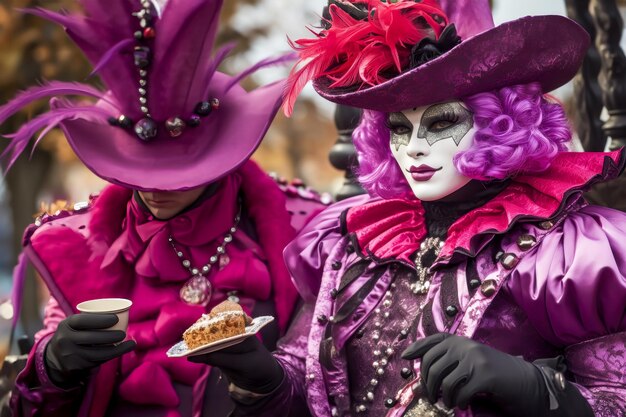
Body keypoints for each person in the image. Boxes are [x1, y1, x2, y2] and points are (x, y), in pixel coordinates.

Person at [194, 0, 626, 416]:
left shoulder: (563, 250)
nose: (414, 147)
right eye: (399, 129)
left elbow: (615, 400)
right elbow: (308, 387)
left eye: (441, 123)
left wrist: (529, 387)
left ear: (501, 124)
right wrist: (264, 376)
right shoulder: (356, 242)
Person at [1, 0, 328, 416]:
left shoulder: (302, 235)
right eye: (137, 173)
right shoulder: (76, 246)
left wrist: (270, 383)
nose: (155, 190)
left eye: (177, 174)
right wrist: (53, 366)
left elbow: (327, 389)